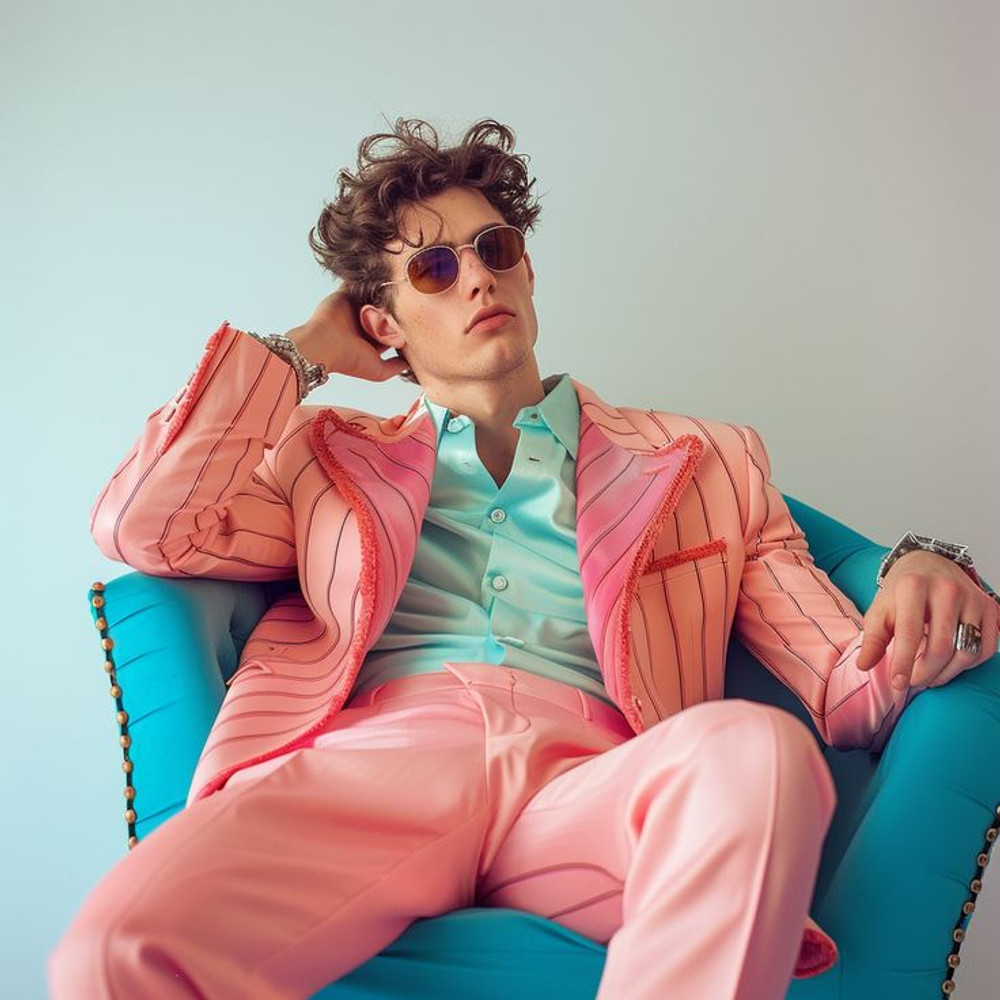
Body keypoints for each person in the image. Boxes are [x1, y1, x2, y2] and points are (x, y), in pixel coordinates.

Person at [49, 118, 1000, 999]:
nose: (476, 278)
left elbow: (848, 686)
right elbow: (146, 525)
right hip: (373, 770)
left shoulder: (708, 460)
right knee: (118, 946)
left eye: (494, 249)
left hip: (599, 783)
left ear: (528, 270)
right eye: (432, 269)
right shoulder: (322, 456)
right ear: (381, 324)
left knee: (760, 753)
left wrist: (923, 570)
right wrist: (300, 352)